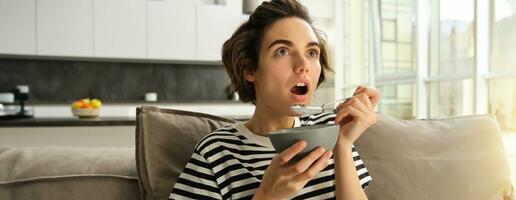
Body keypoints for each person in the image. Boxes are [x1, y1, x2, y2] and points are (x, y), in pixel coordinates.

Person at [170, 0, 380, 199]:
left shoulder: (332, 131)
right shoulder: (216, 152)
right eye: (282, 51)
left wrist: (342, 145)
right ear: (250, 69)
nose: (303, 65)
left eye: (312, 52)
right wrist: (267, 196)